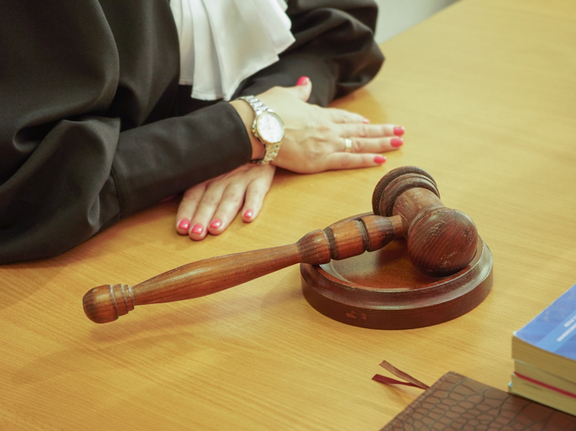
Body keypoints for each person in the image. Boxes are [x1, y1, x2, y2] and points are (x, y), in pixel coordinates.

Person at [0, 0, 404, 264]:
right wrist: (245, 130)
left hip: (211, 231)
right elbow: (29, 188)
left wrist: (267, 121)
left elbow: (336, 28)